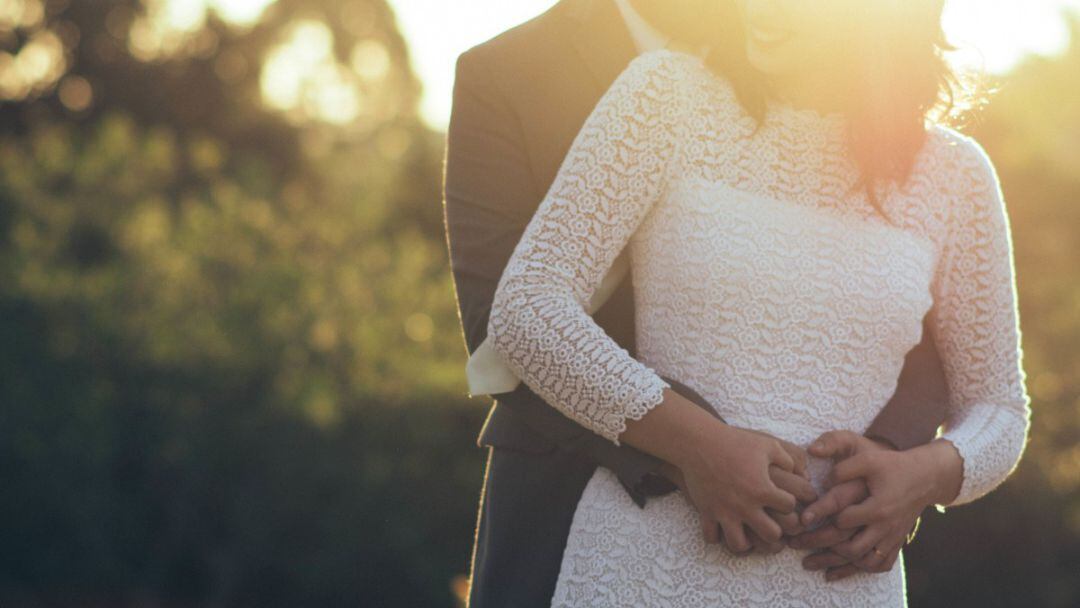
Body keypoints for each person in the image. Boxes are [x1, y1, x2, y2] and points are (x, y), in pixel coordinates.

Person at [481, 0, 1032, 605]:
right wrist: (699, 447)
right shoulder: (666, 95)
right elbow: (529, 307)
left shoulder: (955, 177)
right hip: (639, 570)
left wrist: (922, 476)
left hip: (838, 584)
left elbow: (998, 407)